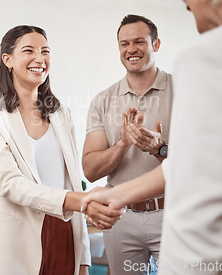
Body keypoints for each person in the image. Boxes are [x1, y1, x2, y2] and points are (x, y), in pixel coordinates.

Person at [83, 0, 222, 273]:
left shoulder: (211, 57)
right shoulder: (103, 98)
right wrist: (118, 189)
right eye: (124, 43)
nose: (186, 2)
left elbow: (203, 191)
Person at [0, 25, 122, 275]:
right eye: (29, 51)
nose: (40, 59)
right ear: (8, 60)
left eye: (45, 51)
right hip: (13, 239)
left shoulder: (61, 114)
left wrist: (83, 258)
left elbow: (71, 182)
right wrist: (80, 201)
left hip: (64, 230)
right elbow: (9, 183)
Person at [81, 14, 172, 274]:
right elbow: (90, 170)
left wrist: (160, 149)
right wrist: (122, 143)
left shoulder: (183, 90)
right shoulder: (103, 100)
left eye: (139, 41)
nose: (131, 49)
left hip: (171, 212)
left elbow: (200, 163)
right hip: (121, 217)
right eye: (124, 43)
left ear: (156, 45)